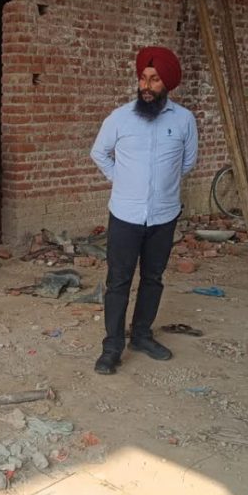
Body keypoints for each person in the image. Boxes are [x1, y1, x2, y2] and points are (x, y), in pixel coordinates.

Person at [90, 46, 199, 375]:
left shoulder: (184, 120)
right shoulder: (120, 117)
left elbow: (188, 162)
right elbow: (99, 153)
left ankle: (141, 336)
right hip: (125, 215)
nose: (146, 86)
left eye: (154, 80)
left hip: (164, 216)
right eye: (143, 78)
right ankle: (112, 347)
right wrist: (121, 179)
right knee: (118, 281)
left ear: (167, 84)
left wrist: (162, 187)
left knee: (153, 278)